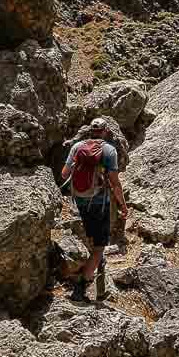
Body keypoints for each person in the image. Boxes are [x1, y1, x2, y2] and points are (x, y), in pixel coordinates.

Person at [61, 117, 128, 299]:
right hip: (100, 201)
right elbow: (115, 183)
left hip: (80, 200)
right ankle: (81, 288)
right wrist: (123, 205)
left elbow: (64, 174)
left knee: (92, 237)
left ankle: (95, 267)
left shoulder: (77, 147)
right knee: (99, 247)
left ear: (90, 131)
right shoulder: (109, 150)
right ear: (105, 131)